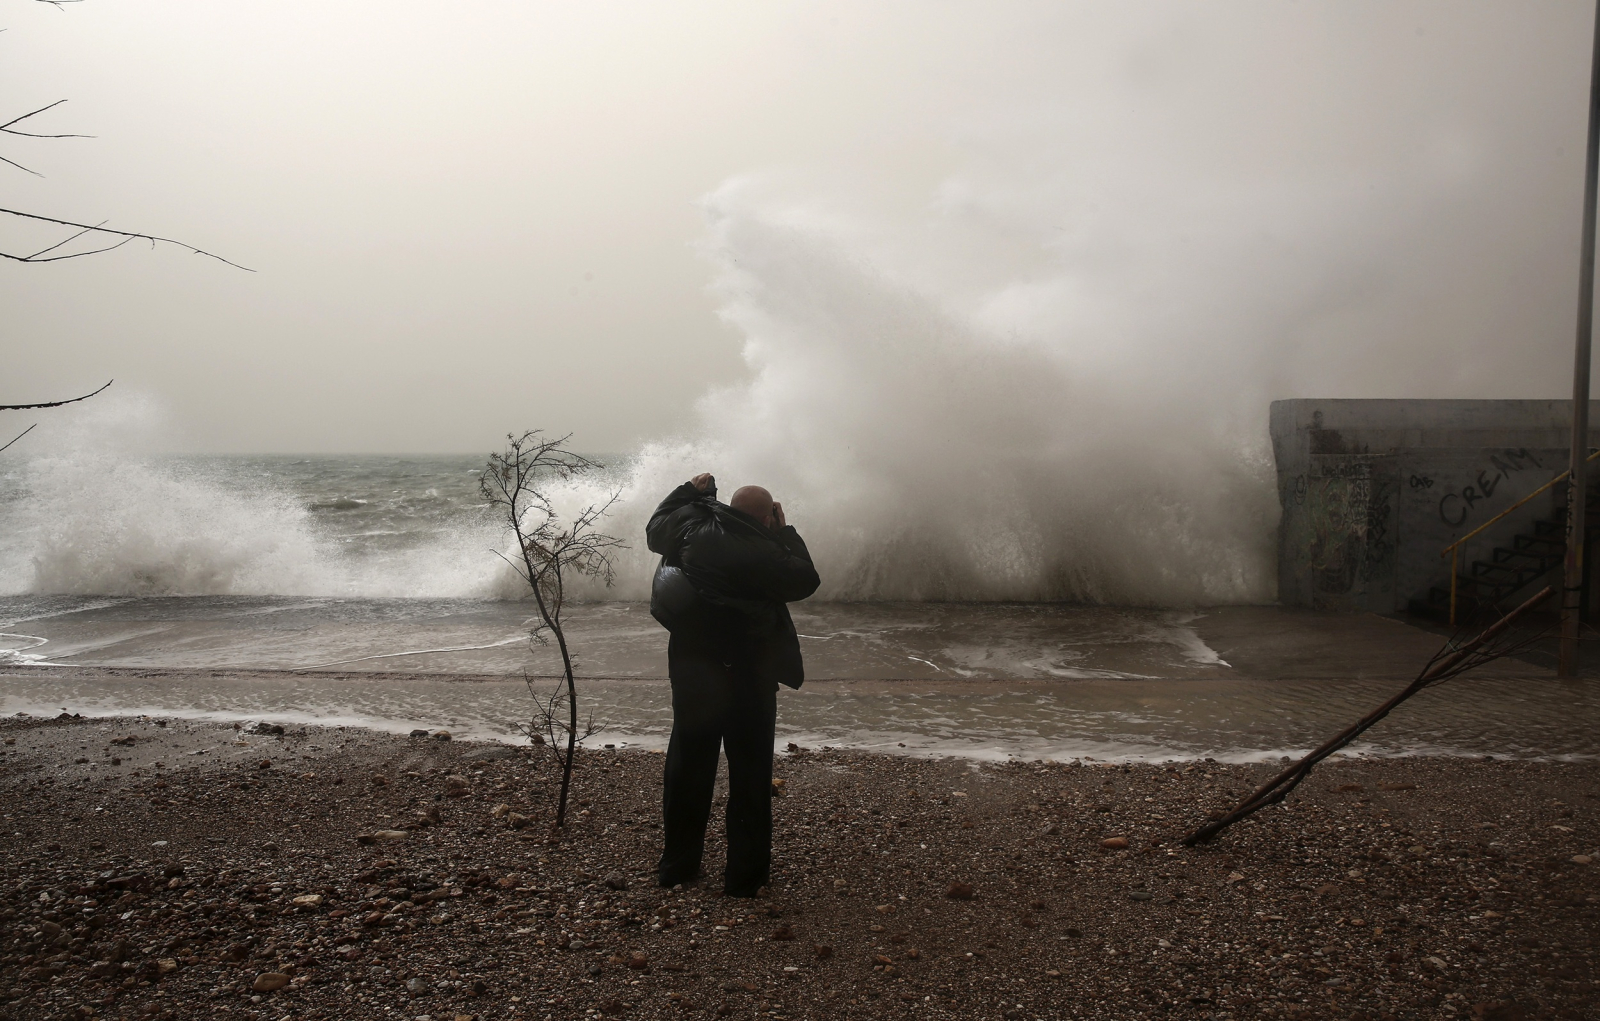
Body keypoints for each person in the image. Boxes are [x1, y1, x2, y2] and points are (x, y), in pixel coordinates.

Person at [645, 472, 820, 896]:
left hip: (694, 672)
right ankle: (744, 878)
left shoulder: (692, 525)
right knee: (750, 773)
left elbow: (655, 529)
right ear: (768, 516)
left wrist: (689, 492)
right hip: (749, 675)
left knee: (688, 767)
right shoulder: (768, 551)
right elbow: (805, 579)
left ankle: (678, 866)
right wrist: (786, 532)